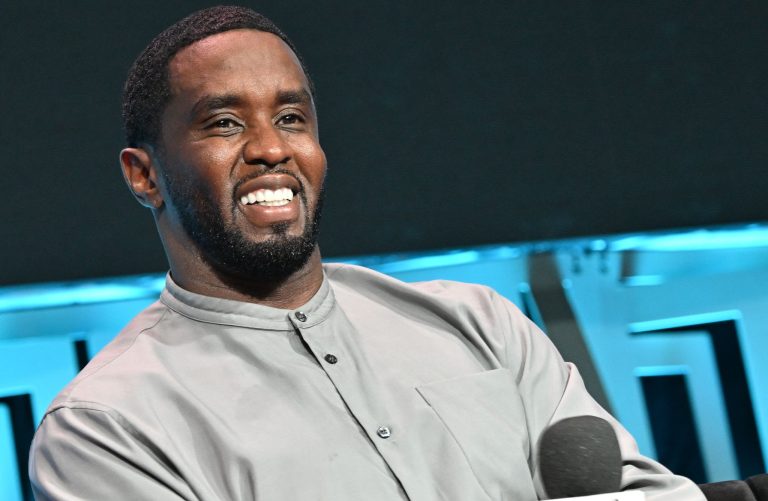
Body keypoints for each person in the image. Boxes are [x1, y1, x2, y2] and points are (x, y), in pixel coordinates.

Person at [28, 6, 705, 500]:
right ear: (144, 175)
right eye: (225, 123)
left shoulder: (480, 325)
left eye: (291, 117)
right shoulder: (105, 428)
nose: (271, 147)